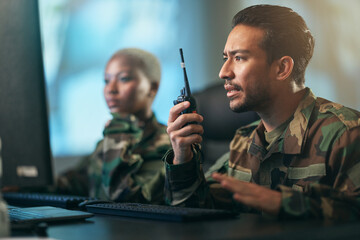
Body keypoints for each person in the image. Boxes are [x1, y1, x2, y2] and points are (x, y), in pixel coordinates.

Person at [163, 4, 360, 220]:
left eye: (239, 58)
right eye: (225, 58)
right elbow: (193, 211)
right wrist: (183, 158)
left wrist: (283, 203)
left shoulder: (347, 133)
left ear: (282, 68)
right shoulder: (243, 141)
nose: (223, 72)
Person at [56, 48, 171, 204]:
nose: (111, 89)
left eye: (123, 79)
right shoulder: (105, 142)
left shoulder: (167, 144)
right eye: (106, 81)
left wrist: (118, 135)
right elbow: (73, 183)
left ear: (152, 87)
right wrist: (24, 186)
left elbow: (122, 199)